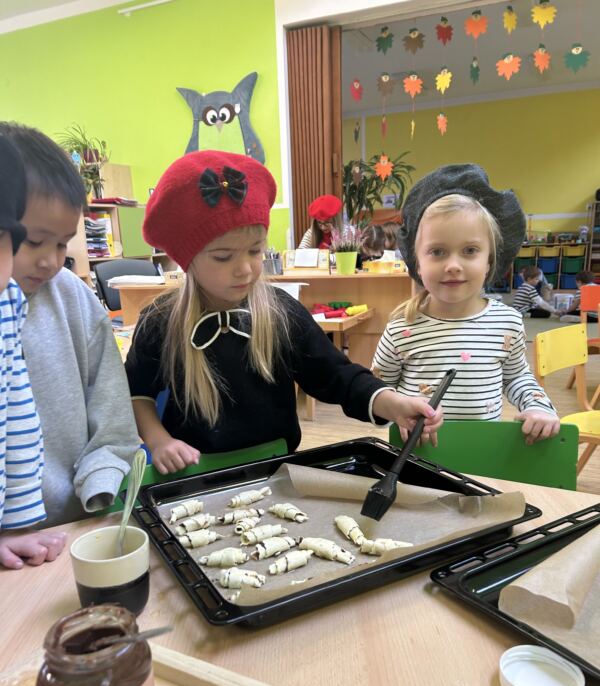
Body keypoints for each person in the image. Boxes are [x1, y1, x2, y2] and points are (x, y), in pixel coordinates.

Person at [125, 150, 443, 474]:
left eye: (255, 251)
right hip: (194, 476)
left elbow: (337, 376)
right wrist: (159, 441)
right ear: (187, 259)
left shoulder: (281, 313)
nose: (245, 268)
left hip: (277, 470)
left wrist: (392, 403)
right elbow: (137, 394)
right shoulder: (160, 321)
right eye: (223, 256)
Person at [0, 122, 140, 525]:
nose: (50, 260)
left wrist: (100, 483)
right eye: (33, 241)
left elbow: (111, 412)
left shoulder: (73, 296)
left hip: (79, 516)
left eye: (62, 243)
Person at [372, 163, 559, 446]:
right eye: (437, 251)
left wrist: (539, 407)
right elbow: (379, 390)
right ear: (417, 263)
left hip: (481, 453)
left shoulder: (507, 323)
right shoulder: (401, 328)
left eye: (470, 250)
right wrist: (398, 410)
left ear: (489, 261)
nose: (453, 266)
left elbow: (516, 377)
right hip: (417, 454)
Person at [0, 134, 66, 569]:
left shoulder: (9, 302)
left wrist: (16, 525)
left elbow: (19, 420)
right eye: (35, 243)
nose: (50, 261)